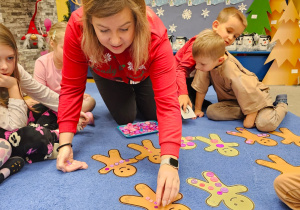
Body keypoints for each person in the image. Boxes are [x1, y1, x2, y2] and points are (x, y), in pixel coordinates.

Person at [56, 0, 182, 207]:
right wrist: (65, 142)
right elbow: (71, 87)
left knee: (154, 114)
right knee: (125, 117)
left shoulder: (154, 34)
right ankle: (127, 92)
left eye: (124, 28)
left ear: (137, 19)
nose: (115, 40)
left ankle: (139, 91)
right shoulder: (77, 27)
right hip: (107, 74)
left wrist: (170, 162)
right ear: (89, 23)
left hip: (144, 74)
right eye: (103, 29)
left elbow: (168, 104)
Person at [191, 29, 288, 132]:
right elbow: (201, 87)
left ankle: (281, 104)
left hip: (256, 98)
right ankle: (247, 111)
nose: (197, 66)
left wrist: (250, 119)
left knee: (264, 124)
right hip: (237, 102)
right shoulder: (206, 62)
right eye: (196, 62)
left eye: (201, 64)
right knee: (211, 111)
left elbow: (248, 92)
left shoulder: (230, 70)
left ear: (220, 60)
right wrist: (197, 109)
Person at [0, 23, 61, 183]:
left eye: (10, 58)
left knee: (44, 109)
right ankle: (51, 136)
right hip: (8, 129)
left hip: (14, 119)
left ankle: (49, 133)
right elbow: (16, 127)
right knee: (28, 137)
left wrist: (71, 112)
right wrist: (13, 86)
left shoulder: (16, 69)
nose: (5, 66)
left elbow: (42, 93)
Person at [176, 7, 247, 112]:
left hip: (192, 78)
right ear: (216, 26)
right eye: (228, 31)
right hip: (177, 79)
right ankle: (191, 97)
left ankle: (194, 98)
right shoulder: (202, 44)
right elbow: (180, 70)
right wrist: (183, 93)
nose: (231, 38)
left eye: (235, 36)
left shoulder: (219, 47)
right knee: (183, 108)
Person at [33, 22, 96, 121]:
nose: (69, 52)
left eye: (72, 47)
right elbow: (39, 94)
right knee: (36, 107)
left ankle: (68, 115)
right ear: (53, 44)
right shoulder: (41, 63)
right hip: (48, 102)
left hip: (68, 101)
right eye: (64, 48)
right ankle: (77, 116)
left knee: (91, 101)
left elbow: (75, 88)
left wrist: (79, 95)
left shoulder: (74, 63)